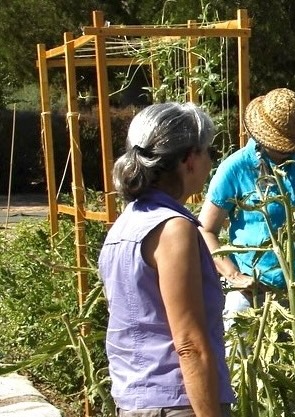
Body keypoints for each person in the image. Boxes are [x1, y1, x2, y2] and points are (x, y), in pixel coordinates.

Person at [99, 102, 234, 416]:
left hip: (134, 400)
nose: (210, 163)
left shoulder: (123, 226)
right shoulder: (174, 230)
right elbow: (188, 343)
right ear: (189, 159)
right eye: (207, 152)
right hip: (177, 403)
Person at [198, 88, 295, 316]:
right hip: (254, 296)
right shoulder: (236, 167)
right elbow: (205, 230)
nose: (288, 150)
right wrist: (234, 276)